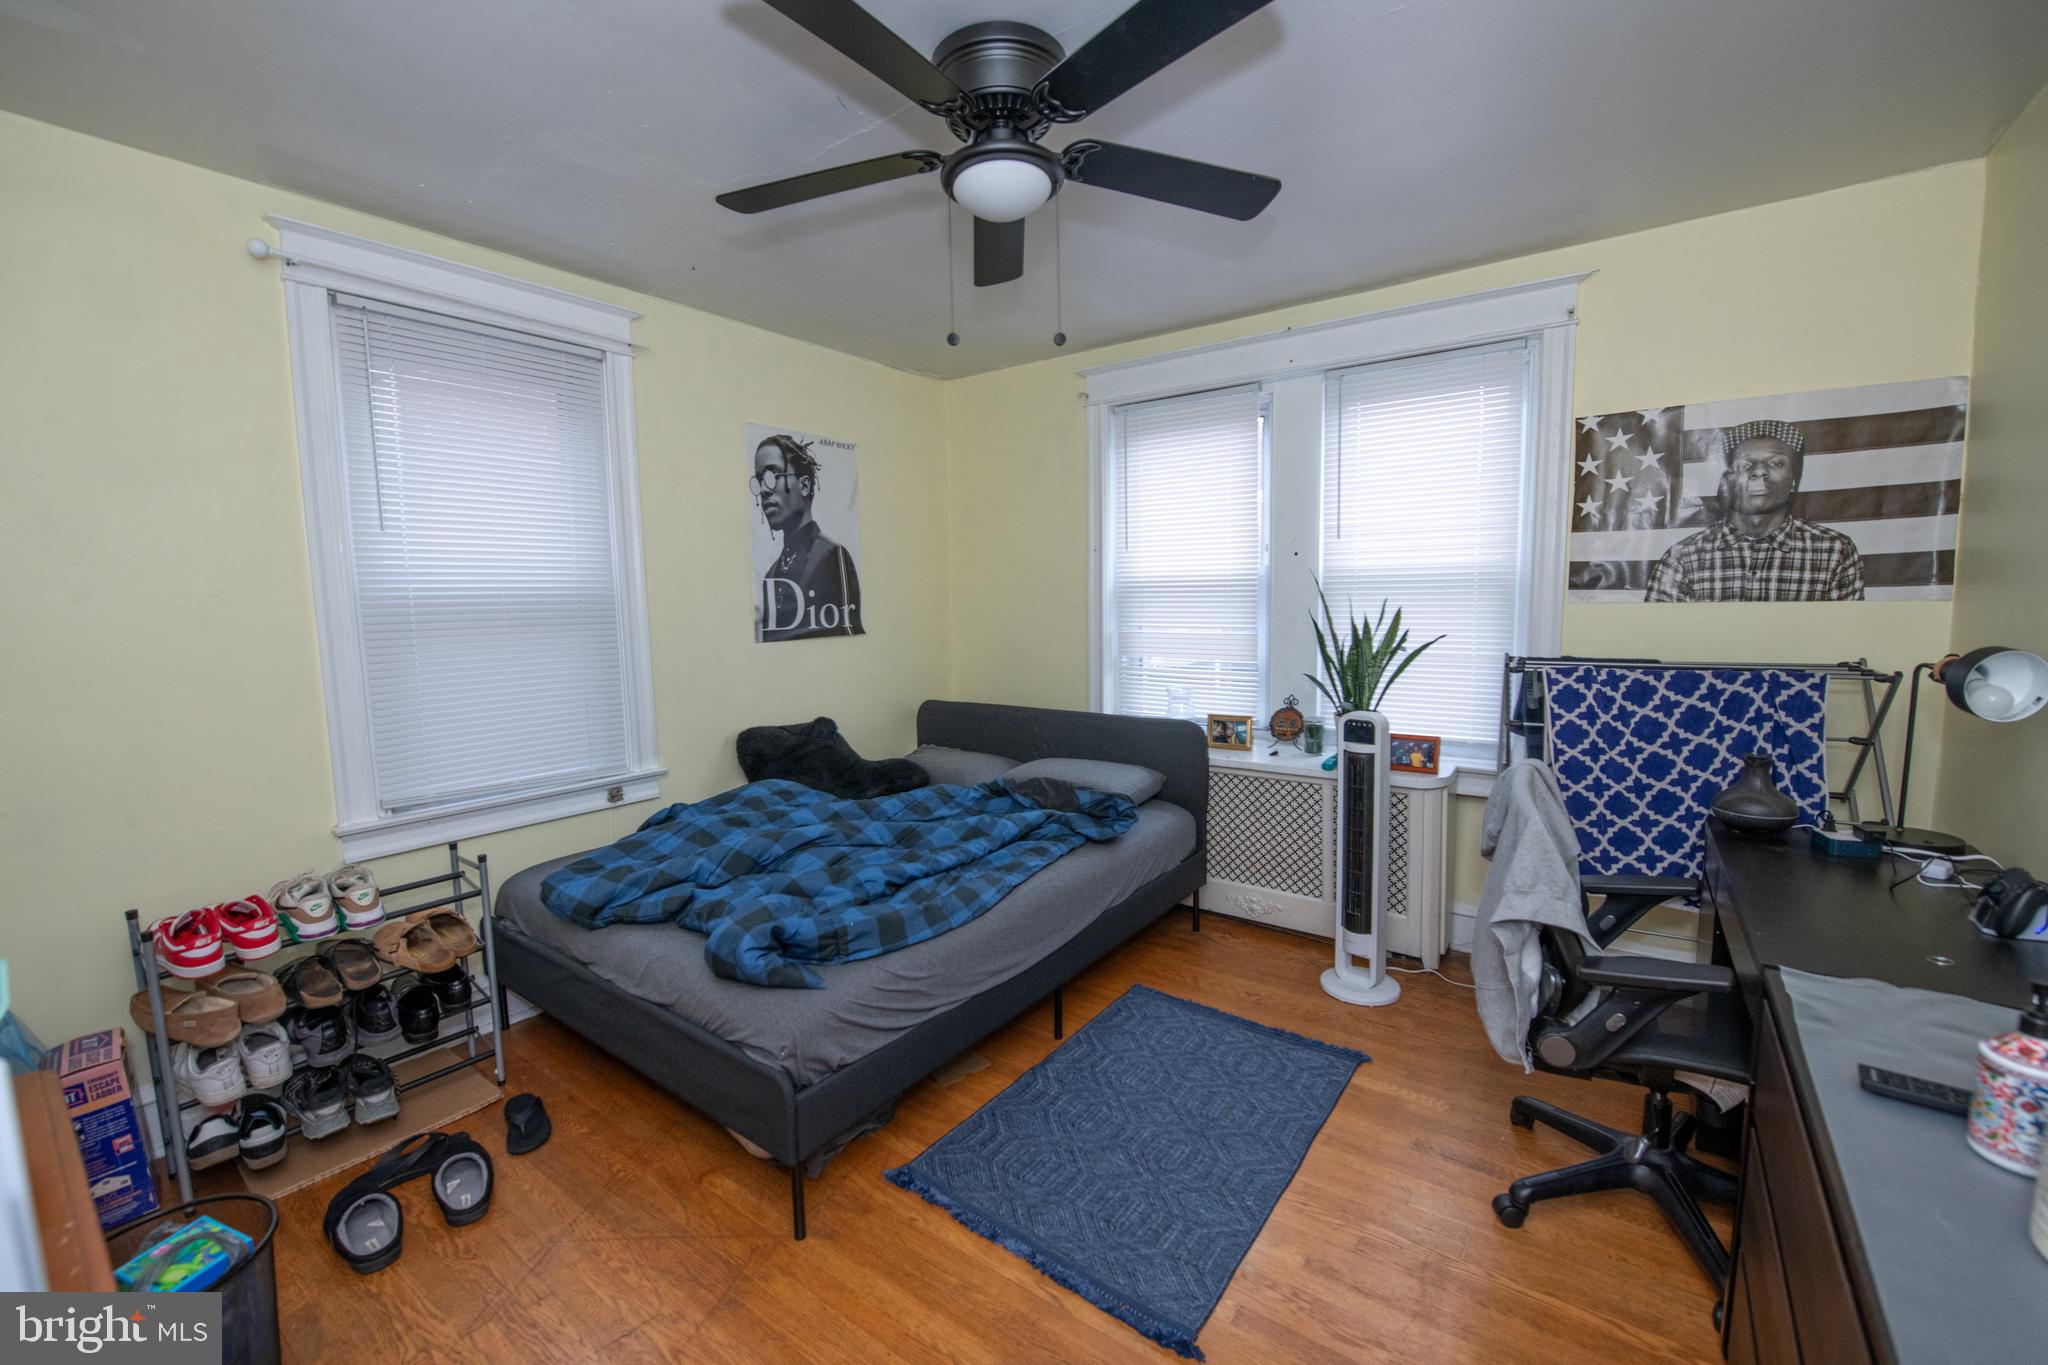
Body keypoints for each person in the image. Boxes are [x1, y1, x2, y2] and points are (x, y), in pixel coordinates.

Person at [1643, 420, 1864, 602]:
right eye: (1745, 465)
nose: (1759, 471)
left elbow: (1845, 634)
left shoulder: (1834, 550)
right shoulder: (1683, 557)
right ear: (1727, 482)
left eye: (1776, 463)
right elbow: (1661, 635)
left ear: (1794, 480)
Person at [753, 435, 863, 641]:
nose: (764, 490)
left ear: (804, 485)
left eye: (772, 475)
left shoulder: (832, 556)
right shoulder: (771, 575)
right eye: (759, 480)